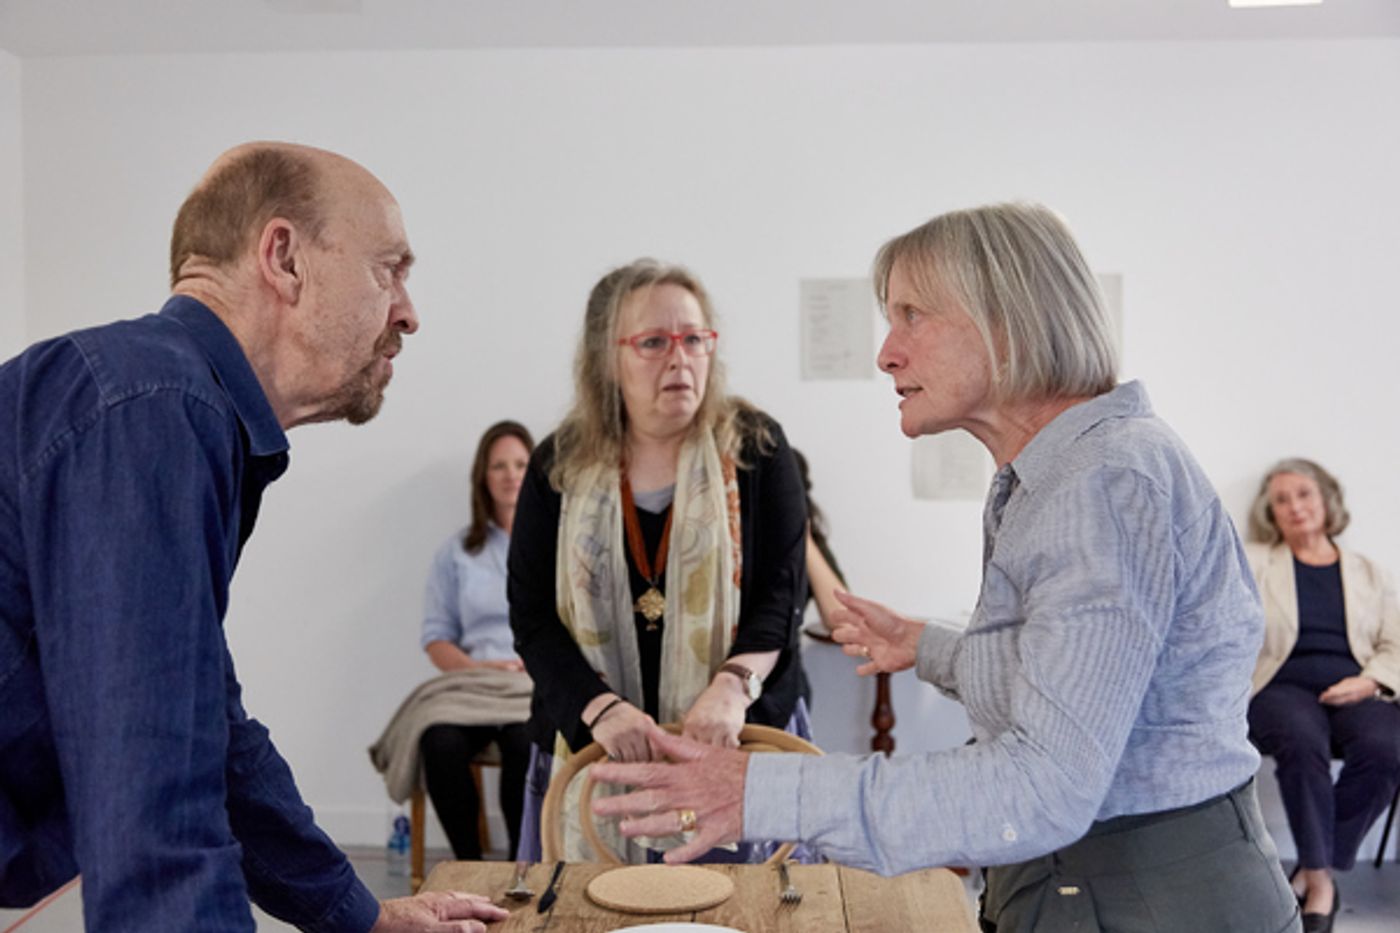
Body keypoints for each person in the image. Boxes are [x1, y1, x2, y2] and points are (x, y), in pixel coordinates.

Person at [591, 203, 1301, 932]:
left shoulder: (1103, 483)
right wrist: (932, 648)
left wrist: (760, 791)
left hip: (1146, 898)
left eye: (912, 315)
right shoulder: (1054, 477)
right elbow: (1072, 684)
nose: (887, 352)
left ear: (1008, 320)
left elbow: (1043, 784)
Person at [0, 143, 506, 933]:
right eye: (389, 269)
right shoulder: (156, 409)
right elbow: (157, 824)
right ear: (285, 258)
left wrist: (363, 917)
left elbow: (212, 736)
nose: (408, 310)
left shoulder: (167, 403)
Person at [508, 258, 810, 863]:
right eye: (653, 342)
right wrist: (602, 710)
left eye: (694, 339)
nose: (680, 358)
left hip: (738, 737)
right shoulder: (557, 465)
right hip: (593, 747)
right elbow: (532, 617)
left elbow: (783, 592)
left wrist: (733, 685)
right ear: (607, 358)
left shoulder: (757, 447)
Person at [1245, 458, 1400, 933]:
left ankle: (1314, 867)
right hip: (1279, 684)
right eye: (1282, 500)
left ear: (1326, 500)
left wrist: (1370, 682)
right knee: (1300, 740)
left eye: (1303, 494)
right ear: (1271, 513)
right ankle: (1321, 883)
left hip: (1355, 685)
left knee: (1386, 748)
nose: (1294, 507)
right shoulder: (1255, 561)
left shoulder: (1367, 571)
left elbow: (1395, 642)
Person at [419, 420, 535, 860]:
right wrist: (479, 670)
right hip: (473, 683)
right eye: (499, 465)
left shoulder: (557, 547)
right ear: (483, 477)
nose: (511, 474)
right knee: (438, 741)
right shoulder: (456, 553)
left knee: (527, 743)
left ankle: (516, 867)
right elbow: (436, 638)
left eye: (521, 464)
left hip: (530, 687)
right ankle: (469, 864)